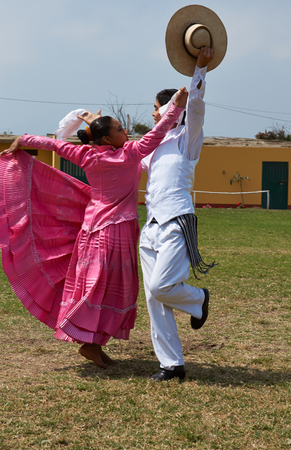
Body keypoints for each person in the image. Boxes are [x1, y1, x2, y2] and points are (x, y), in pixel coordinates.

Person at [0, 89, 187, 369]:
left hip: (91, 230)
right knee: (107, 287)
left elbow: (54, 145)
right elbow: (157, 134)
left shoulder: (86, 154)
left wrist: (22, 140)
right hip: (116, 230)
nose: (127, 131)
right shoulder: (129, 154)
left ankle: (93, 344)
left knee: (95, 284)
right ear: (108, 139)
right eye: (121, 128)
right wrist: (176, 109)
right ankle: (89, 341)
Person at [139, 46, 216, 381]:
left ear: (172, 108)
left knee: (160, 287)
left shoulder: (188, 138)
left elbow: (196, 107)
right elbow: (122, 162)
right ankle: (172, 365)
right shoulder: (151, 145)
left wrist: (199, 71)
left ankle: (199, 299)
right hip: (150, 227)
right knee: (155, 301)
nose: (154, 114)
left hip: (177, 221)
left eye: (158, 108)